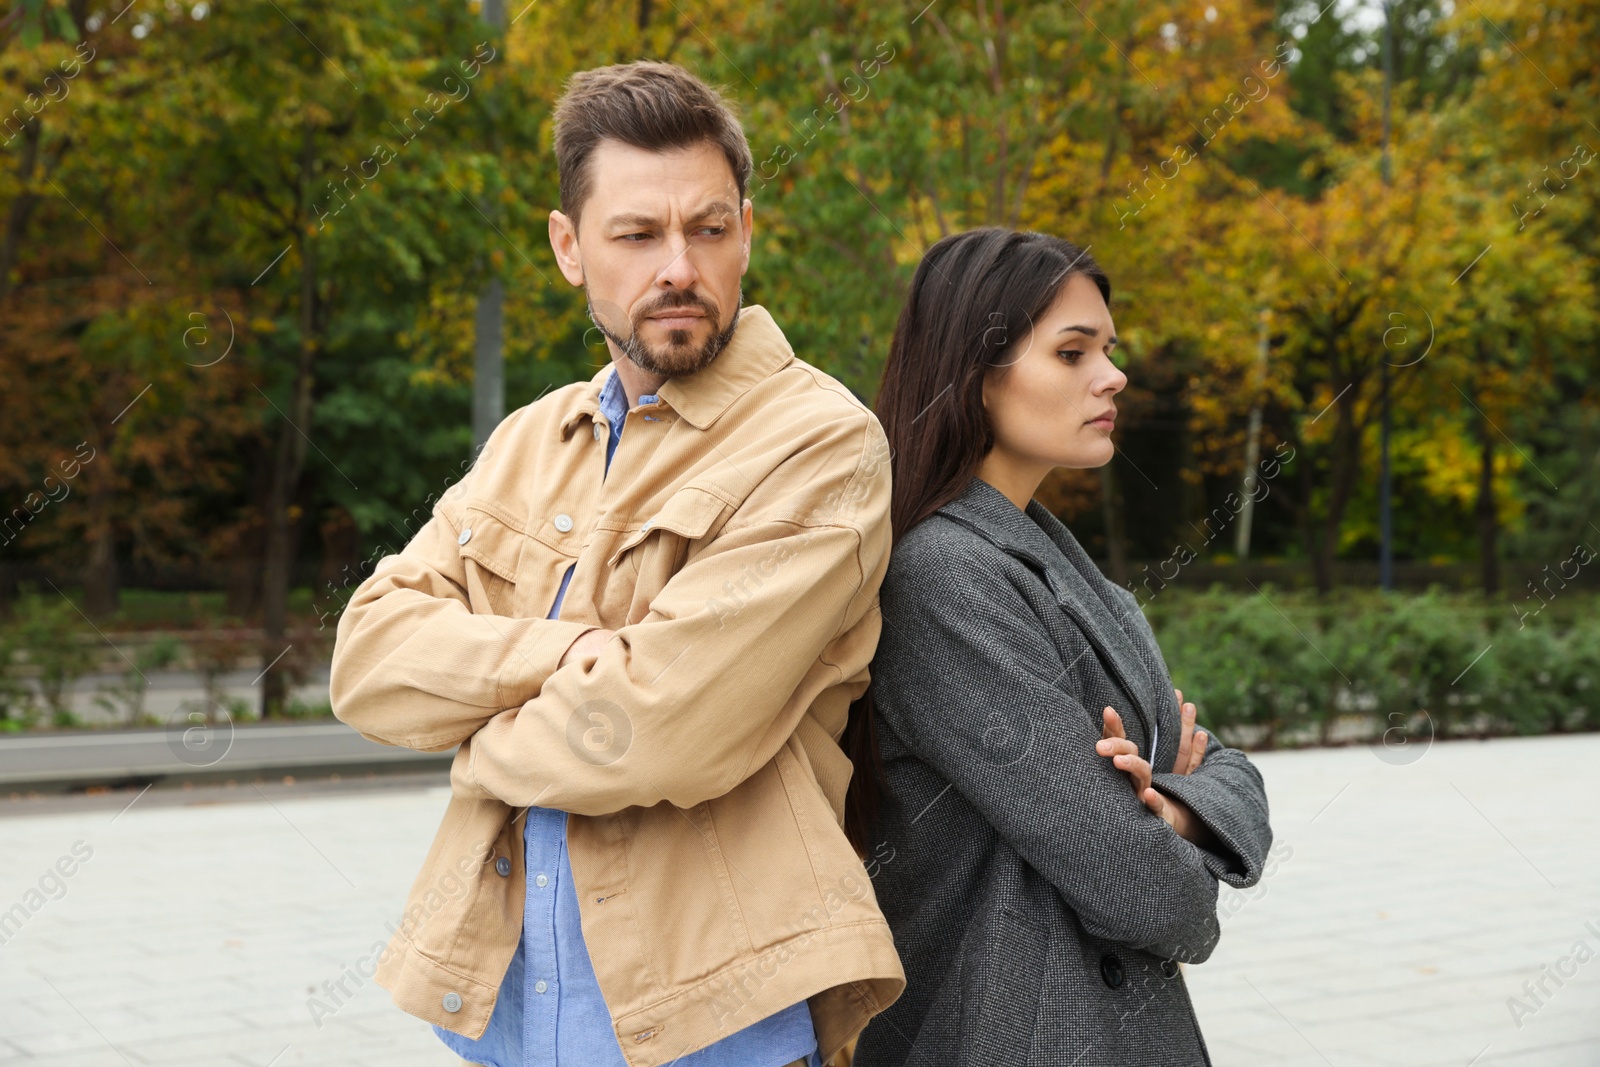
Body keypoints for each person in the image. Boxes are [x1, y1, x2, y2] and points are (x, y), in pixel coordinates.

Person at [330, 60, 903, 1067]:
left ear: (746, 234)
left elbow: (653, 732)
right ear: (569, 247)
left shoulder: (821, 443)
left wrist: (471, 736)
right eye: (637, 234)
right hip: (503, 1009)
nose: (676, 266)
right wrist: (573, 652)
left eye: (708, 229)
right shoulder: (526, 439)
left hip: (715, 1022)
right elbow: (367, 660)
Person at [845, 227, 1273, 1066]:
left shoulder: (1053, 558)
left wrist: (1178, 804)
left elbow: (1230, 767)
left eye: (1107, 349)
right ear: (972, 374)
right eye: (1071, 352)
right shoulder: (940, 576)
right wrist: (1171, 835)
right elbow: (1150, 893)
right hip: (1008, 1030)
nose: (1112, 376)